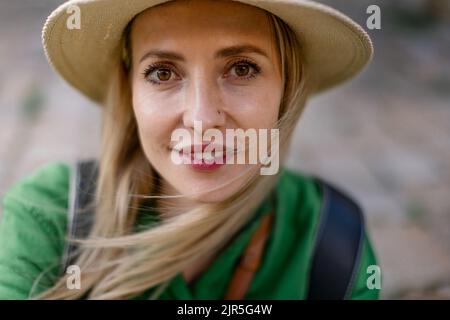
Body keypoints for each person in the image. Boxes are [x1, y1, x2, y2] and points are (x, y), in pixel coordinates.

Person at [0, 0, 379, 299]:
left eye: (242, 68)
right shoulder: (49, 217)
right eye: (163, 73)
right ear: (130, 90)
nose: (201, 118)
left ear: (287, 88)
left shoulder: (332, 240)